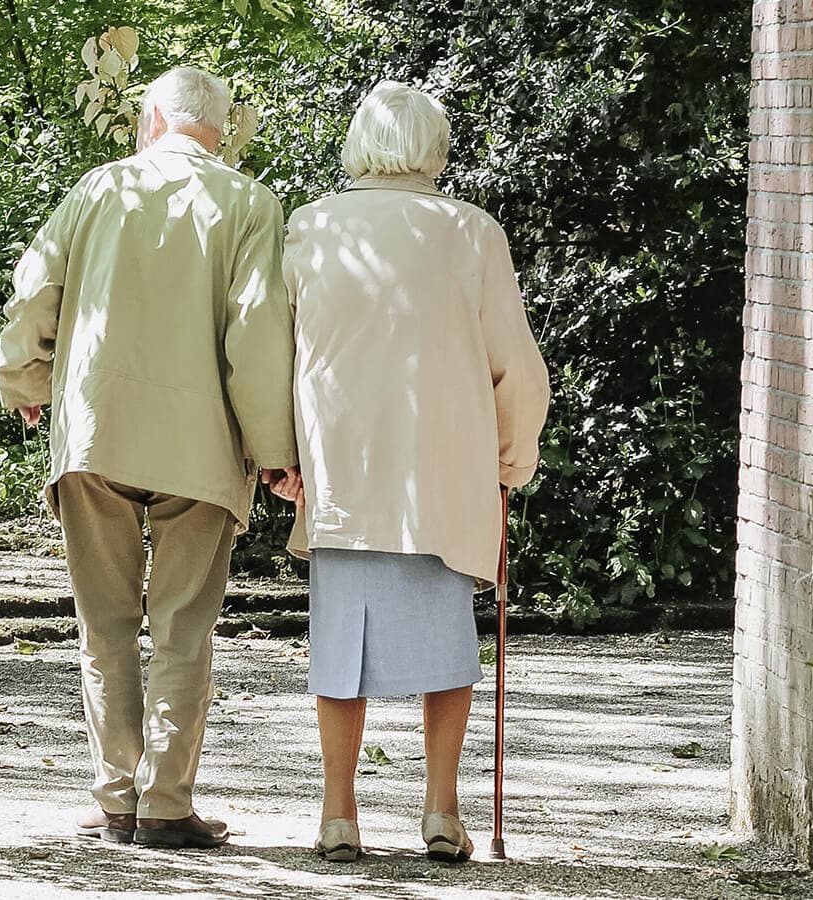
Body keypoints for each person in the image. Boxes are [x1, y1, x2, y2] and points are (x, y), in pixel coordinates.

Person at [0, 66, 301, 850]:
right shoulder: (249, 203)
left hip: (97, 433)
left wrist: (25, 377)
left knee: (104, 625)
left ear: (152, 119)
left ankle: (114, 800)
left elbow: (35, 294)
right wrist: (275, 453)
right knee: (182, 628)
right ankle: (165, 805)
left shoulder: (97, 189)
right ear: (221, 128)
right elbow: (258, 337)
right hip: (200, 446)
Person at [282, 81, 550, 863]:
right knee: (446, 646)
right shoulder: (470, 232)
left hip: (344, 467)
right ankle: (440, 810)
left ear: (361, 145)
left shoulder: (312, 226)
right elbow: (516, 367)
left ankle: (338, 814)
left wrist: (280, 454)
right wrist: (512, 456)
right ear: (434, 148)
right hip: (444, 470)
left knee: (339, 647)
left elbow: (278, 352)